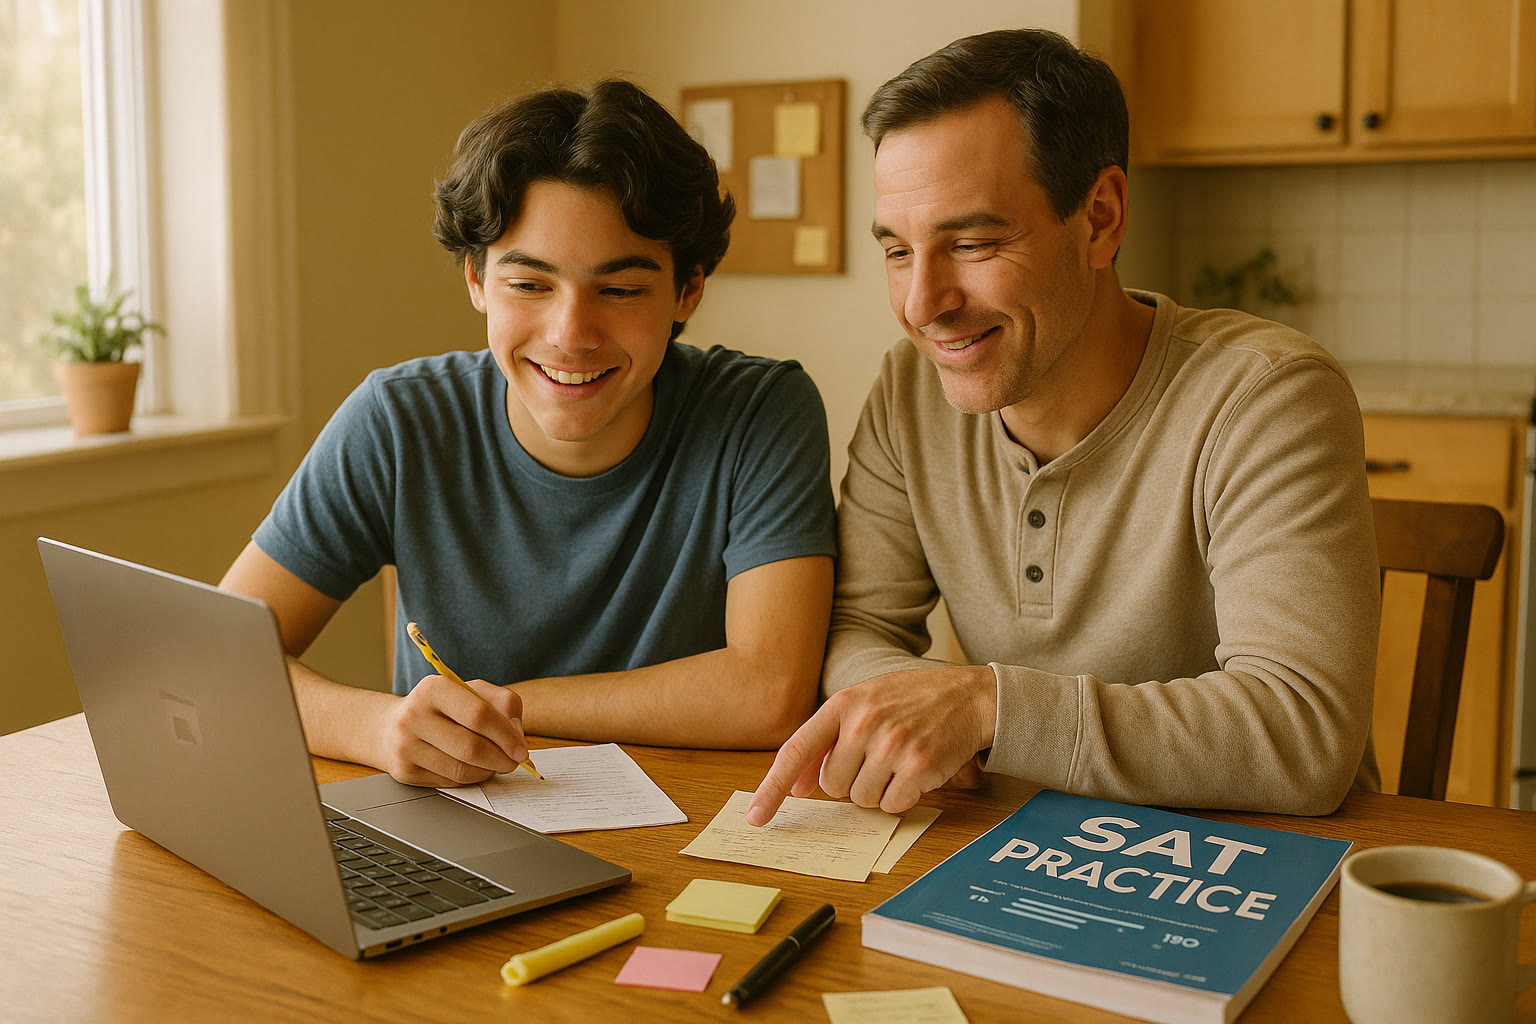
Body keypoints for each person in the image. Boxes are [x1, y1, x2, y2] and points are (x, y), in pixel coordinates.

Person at [746, 29, 1379, 826]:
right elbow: (859, 626)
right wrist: (918, 713)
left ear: (1101, 219)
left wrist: (989, 709)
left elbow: (1303, 734)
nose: (920, 304)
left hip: (1252, 856)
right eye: (898, 251)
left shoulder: (1267, 397)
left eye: (972, 243)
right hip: (1016, 832)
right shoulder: (910, 389)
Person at [221, 80, 837, 788]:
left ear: (687, 290)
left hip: (695, 829)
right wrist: (378, 726)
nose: (571, 335)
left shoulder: (761, 412)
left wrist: (501, 707)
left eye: (621, 289)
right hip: (458, 823)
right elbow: (217, 653)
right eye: (530, 285)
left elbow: (768, 694)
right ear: (476, 279)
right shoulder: (398, 421)